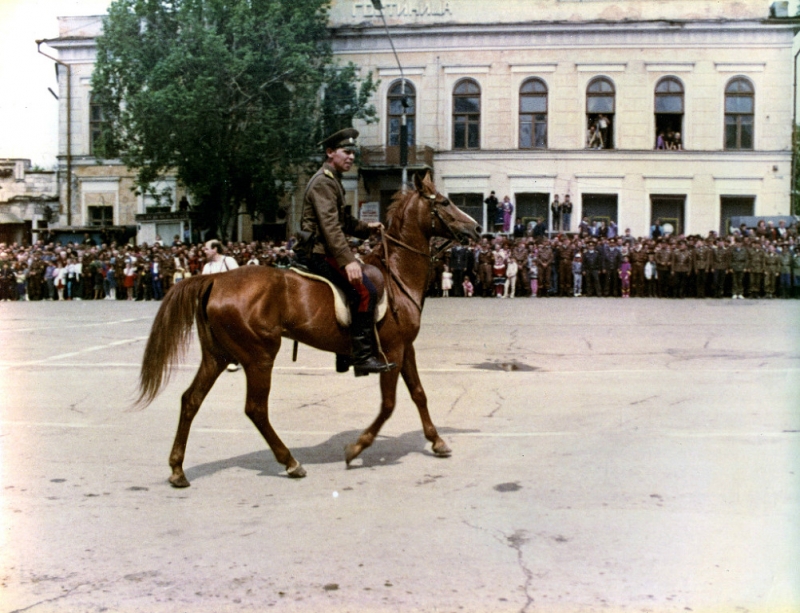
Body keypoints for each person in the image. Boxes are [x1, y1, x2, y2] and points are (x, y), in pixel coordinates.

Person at [300, 128, 395, 377]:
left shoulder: (333, 180)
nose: (351, 157)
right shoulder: (323, 182)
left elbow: (344, 221)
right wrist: (348, 260)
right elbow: (330, 227)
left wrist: (367, 228)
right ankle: (361, 356)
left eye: (353, 152)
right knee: (365, 291)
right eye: (346, 152)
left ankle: (344, 353)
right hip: (319, 253)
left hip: (325, 249)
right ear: (330, 152)